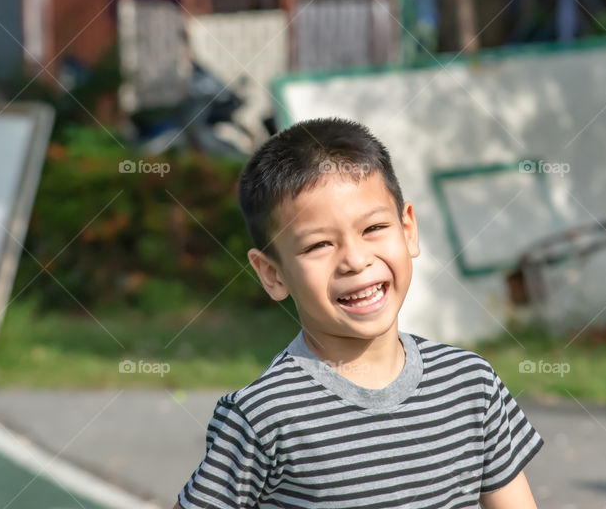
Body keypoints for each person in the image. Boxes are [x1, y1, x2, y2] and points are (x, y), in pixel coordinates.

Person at [173, 117, 543, 508]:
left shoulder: (470, 384)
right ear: (272, 274)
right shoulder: (264, 415)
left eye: (373, 228)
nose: (355, 260)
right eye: (318, 245)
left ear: (408, 230)